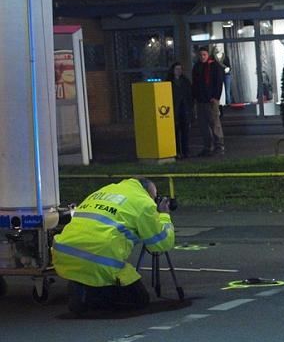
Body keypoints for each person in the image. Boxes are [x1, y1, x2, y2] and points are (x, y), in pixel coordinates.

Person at [52, 178, 175, 312]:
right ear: (148, 193)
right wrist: (163, 215)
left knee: (90, 270)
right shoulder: (144, 203)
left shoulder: (103, 192)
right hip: (99, 259)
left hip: (63, 253)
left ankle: (82, 289)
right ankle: (93, 300)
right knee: (140, 300)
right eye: (155, 197)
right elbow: (160, 244)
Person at [191, 46, 225, 156]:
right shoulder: (197, 67)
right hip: (201, 100)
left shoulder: (214, 66)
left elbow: (218, 82)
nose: (202, 57)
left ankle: (219, 145)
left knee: (214, 123)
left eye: (204, 55)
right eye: (201, 55)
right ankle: (208, 146)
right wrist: (196, 96)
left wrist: (215, 97)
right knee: (203, 124)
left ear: (208, 55)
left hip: (211, 100)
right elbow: (195, 83)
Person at [167, 62, 193, 158]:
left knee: (185, 131)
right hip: (174, 109)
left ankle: (185, 151)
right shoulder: (169, 81)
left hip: (184, 109)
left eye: (180, 69)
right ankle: (177, 151)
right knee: (175, 132)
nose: (179, 71)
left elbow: (189, 95)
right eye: (177, 69)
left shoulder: (185, 81)